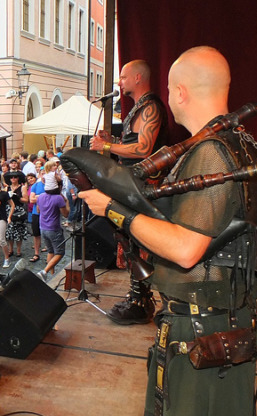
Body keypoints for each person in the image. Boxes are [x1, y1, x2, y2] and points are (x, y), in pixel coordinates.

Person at [80, 46, 257, 416]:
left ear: (180, 92)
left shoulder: (211, 154)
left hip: (202, 330)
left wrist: (114, 211)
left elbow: (186, 249)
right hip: (222, 321)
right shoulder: (237, 144)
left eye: (169, 89)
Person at [89, 59, 168, 326]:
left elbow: (145, 149)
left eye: (122, 78)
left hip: (146, 189)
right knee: (132, 242)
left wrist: (107, 147)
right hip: (133, 186)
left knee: (143, 244)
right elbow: (133, 145)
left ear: (137, 78)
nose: (119, 83)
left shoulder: (151, 108)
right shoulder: (139, 108)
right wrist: (112, 142)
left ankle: (143, 301)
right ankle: (138, 298)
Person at [35, 178, 69, 282]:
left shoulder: (40, 196)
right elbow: (66, 214)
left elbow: (38, 210)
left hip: (43, 228)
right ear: (59, 187)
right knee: (60, 252)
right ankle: (44, 272)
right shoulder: (58, 198)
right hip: (54, 229)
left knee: (50, 251)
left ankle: (50, 277)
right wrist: (66, 202)